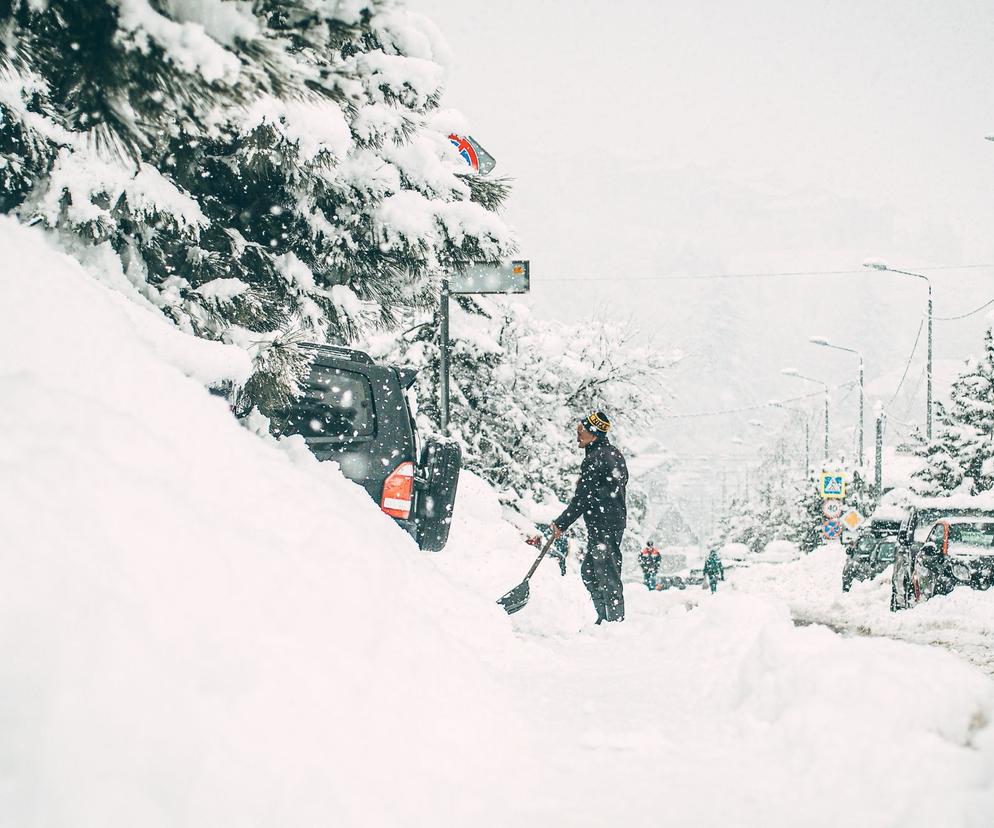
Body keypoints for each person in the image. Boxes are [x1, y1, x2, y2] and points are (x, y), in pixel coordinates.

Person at [550, 411, 629, 624]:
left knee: (606, 574)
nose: (577, 436)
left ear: (593, 435)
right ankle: (604, 619)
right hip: (609, 522)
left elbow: (583, 499)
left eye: (581, 432)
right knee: (590, 571)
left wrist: (561, 523)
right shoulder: (612, 454)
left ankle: (614, 623)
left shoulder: (596, 459)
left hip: (604, 524)